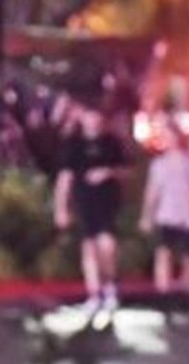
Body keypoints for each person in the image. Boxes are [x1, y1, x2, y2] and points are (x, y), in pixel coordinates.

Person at [55, 106, 131, 313]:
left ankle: (110, 285)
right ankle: (94, 293)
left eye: (96, 116)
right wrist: (61, 208)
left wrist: (108, 172)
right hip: (84, 202)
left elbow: (126, 171)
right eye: (89, 116)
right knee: (89, 247)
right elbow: (65, 178)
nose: (93, 120)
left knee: (107, 244)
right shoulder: (74, 145)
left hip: (106, 202)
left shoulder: (111, 143)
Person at [140, 123, 189, 312]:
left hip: (187, 216)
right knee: (163, 254)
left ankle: (186, 294)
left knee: (188, 257)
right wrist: (147, 215)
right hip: (166, 215)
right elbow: (152, 192)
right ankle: (164, 294)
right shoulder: (159, 165)